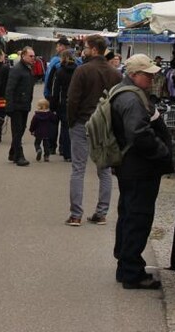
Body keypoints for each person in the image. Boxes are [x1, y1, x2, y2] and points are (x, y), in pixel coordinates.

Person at [110, 54, 172, 289]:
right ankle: (131, 272)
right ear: (135, 75)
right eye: (148, 74)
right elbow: (138, 133)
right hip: (139, 168)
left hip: (130, 166)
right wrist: (162, 150)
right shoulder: (132, 99)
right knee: (138, 218)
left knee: (128, 215)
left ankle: (125, 265)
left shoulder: (124, 92)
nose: (152, 78)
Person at [66, 34, 122, 226]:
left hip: (82, 122)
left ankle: (75, 214)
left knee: (78, 169)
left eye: (86, 47)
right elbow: (118, 103)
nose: (83, 50)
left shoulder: (82, 70)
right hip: (104, 125)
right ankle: (101, 213)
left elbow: (72, 99)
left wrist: (71, 121)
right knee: (104, 169)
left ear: (94, 50)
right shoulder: (115, 73)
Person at [5, 46, 37, 166]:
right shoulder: (17, 69)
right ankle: (19, 156)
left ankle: (13, 152)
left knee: (21, 129)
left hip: (24, 104)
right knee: (18, 130)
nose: (33, 58)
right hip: (17, 105)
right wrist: (9, 105)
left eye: (34, 56)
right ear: (23, 56)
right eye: (31, 56)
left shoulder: (28, 69)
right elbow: (10, 88)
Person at [50, 49, 78, 160]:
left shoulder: (60, 71)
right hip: (75, 102)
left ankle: (63, 151)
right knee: (72, 128)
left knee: (63, 127)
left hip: (63, 101)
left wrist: (53, 104)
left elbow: (55, 89)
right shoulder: (78, 70)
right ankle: (70, 152)